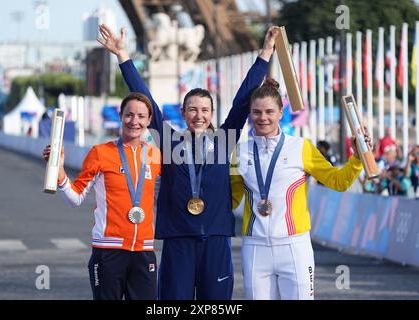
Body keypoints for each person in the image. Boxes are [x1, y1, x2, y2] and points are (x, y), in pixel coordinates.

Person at [97, 23, 278, 299]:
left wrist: (265, 53)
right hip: (178, 240)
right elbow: (146, 100)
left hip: (216, 240)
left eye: (205, 110)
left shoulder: (223, 140)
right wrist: (123, 56)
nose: (199, 115)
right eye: (192, 109)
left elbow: (243, 100)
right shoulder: (169, 142)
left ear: (212, 113)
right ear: (183, 112)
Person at [231, 79, 372, 300]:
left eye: (269, 111)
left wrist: (356, 159)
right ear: (250, 113)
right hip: (255, 246)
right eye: (256, 112)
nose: (263, 118)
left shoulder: (301, 147)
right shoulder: (239, 153)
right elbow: (230, 200)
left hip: (294, 246)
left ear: (280, 112)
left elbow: (338, 181)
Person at [42, 92, 161, 300]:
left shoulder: (155, 156)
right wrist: (59, 171)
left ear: (149, 120)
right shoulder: (100, 153)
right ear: (120, 116)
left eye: (141, 116)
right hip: (108, 251)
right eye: (129, 115)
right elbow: (75, 197)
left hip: (144, 251)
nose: (135, 121)